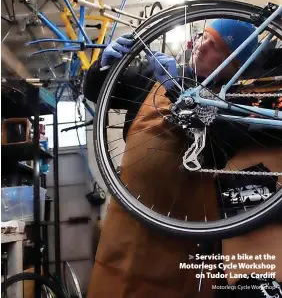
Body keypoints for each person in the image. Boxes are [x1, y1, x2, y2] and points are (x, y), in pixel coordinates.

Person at [84, 19, 282, 298]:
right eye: (204, 37)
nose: (201, 47)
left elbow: (212, 150)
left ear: (233, 66)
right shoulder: (152, 76)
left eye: (216, 47)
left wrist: (176, 87)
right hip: (130, 217)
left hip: (183, 229)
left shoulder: (236, 106)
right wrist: (103, 68)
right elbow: (97, 92)